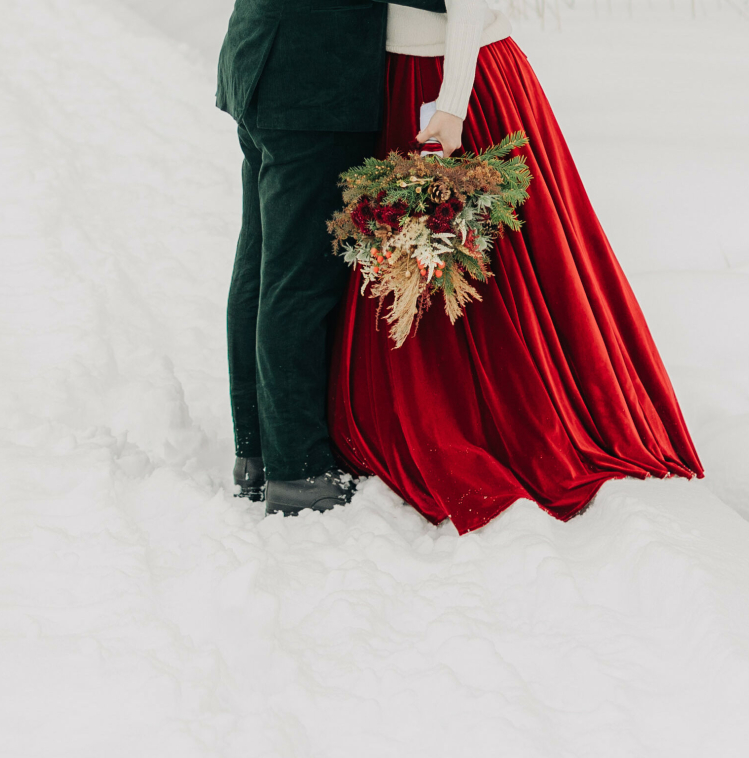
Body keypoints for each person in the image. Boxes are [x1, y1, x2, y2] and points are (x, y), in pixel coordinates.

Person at [327, 0, 705, 533]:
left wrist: (452, 102)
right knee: (413, 252)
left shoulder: (451, 92)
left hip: (455, 82)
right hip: (402, 73)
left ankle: (509, 415)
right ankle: (429, 404)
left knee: (494, 256)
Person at [216, 0, 447, 515]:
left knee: (262, 266)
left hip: (264, 57)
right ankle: (298, 469)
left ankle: (257, 450)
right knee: (296, 281)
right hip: (310, 82)